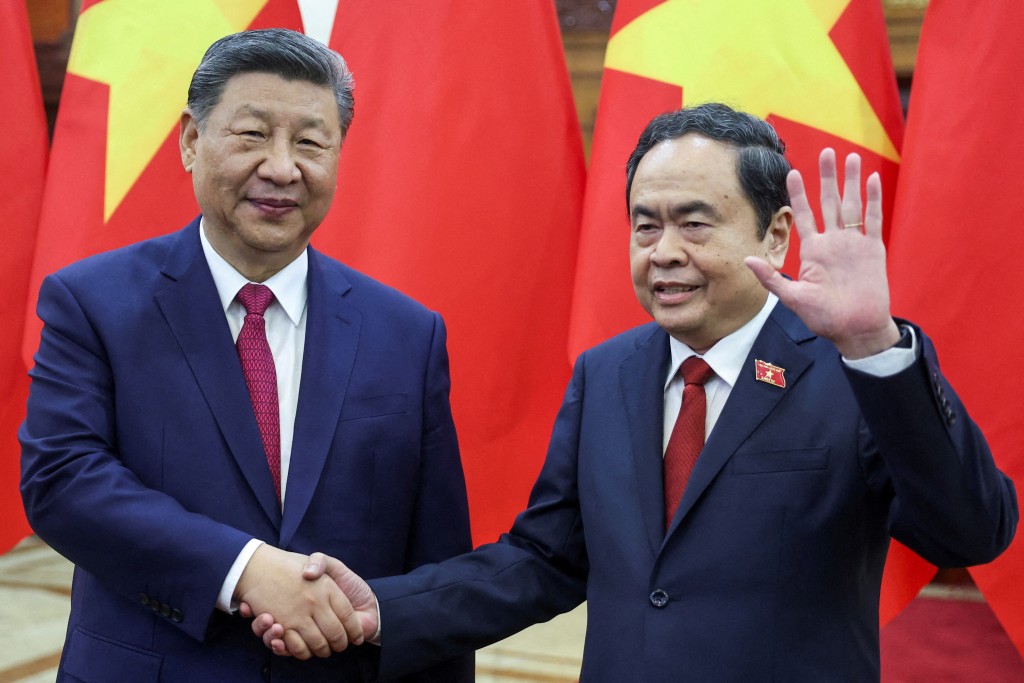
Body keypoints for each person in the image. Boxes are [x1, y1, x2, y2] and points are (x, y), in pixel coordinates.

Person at [253, 103, 1018, 681]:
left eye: (694, 223)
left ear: (776, 234)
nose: (665, 252)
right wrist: (382, 608)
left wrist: (876, 347)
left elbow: (969, 533)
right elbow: (545, 560)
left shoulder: (854, 372)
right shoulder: (607, 371)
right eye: (645, 225)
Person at [19, 28, 473, 682]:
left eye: (311, 142)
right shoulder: (93, 303)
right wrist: (244, 569)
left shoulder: (407, 331)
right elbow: (63, 479)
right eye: (253, 134)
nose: (283, 167)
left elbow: (437, 570)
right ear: (190, 140)